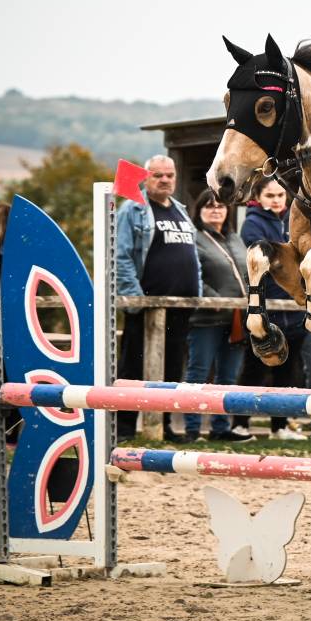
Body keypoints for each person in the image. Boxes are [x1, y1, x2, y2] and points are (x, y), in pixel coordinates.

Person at [115, 156, 201, 442]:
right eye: (158, 175)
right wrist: (136, 299)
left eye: (169, 175)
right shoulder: (133, 209)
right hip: (146, 307)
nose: (165, 180)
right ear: (145, 178)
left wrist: (196, 291)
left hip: (180, 307)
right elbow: (121, 255)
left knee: (172, 369)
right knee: (134, 367)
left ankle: (162, 426)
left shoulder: (181, 210)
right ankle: (125, 428)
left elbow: (193, 256)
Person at [236, 178, 309, 441]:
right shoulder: (252, 223)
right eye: (270, 195)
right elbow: (269, 262)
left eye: (281, 194)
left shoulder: (293, 220)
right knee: (254, 368)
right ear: (258, 196)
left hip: (294, 305)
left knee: (287, 370)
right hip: (264, 305)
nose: (277, 200)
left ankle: (279, 426)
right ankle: (240, 423)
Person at [185, 189, 251, 442]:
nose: (216, 210)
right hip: (206, 318)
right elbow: (194, 274)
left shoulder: (235, 239)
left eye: (220, 206)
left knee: (228, 376)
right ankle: (191, 429)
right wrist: (213, 298)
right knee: (198, 374)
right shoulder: (194, 238)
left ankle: (220, 427)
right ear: (199, 211)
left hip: (237, 318)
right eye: (209, 206)